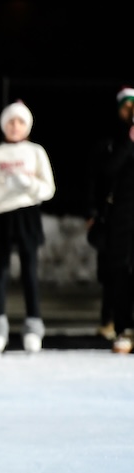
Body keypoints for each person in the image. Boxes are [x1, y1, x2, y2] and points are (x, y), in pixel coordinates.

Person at [0, 100, 56, 354]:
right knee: (0, 273)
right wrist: (6, 188)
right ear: (3, 125)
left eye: (20, 121)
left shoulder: (36, 152)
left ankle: (33, 327)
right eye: (10, 121)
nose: (15, 126)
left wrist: (29, 185)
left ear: (27, 126)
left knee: (29, 272)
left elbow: (48, 189)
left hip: (27, 215)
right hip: (1, 218)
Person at [93, 87, 134, 354]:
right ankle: (123, 327)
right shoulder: (113, 140)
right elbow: (106, 172)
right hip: (122, 215)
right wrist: (129, 142)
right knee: (120, 272)